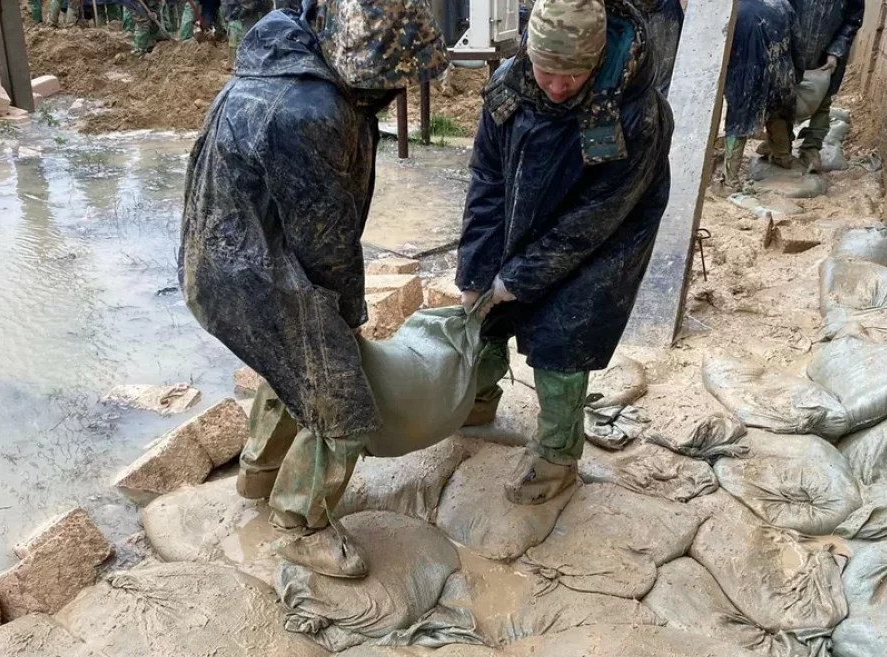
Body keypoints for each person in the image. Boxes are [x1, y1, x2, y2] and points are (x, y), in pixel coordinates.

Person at [179, 0, 447, 577]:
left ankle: (258, 471)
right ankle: (302, 525)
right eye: (389, 85)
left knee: (291, 364)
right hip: (256, 273)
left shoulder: (285, 62)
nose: (393, 95)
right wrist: (347, 317)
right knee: (342, 404)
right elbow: (324, 242)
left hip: (220, 260)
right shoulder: (308, 110)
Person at [457, 0, 673, 504]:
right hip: (523, 208)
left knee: (562, 339)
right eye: (547, 71)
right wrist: (477, 272)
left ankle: (556, 456)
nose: (557, 87)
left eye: (573, 75)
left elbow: (595, 219)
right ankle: (478, 399)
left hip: (605, 236)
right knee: (484, 316)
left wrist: (519, 279)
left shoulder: (634, 115)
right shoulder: (510, 87)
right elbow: (487, 179)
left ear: (596, 61)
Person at [720, 0, 797, 188]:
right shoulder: (782, 5)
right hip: (780, 71)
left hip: (746, 75)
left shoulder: (732, 10)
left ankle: (729, 182)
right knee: (778, 112)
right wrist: (796, 72)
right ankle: (783, 156)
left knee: (738, 123)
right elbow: (798, 43)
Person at [788, 0, 865, 171]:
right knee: (784, 98)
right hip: (793, 45)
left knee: (823, 102)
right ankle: (781, 144)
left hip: (828, 56)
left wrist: (835, 51)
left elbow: (853, 19)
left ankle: (811, 148)